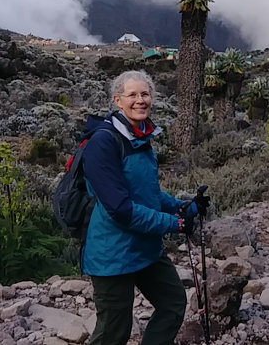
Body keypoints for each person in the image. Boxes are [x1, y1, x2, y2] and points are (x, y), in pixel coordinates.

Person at [81, 69, 205, 345]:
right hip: (113, 254)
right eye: (132, 95)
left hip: (146, 248)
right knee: (114, 331)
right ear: (117, 100)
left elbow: (147, 193)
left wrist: (186, 207)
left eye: (145, 94)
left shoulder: (141, 136)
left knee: (172, 303)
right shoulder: (103, 143)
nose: (140, 100)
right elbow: (121, 209)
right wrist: (174, 224)